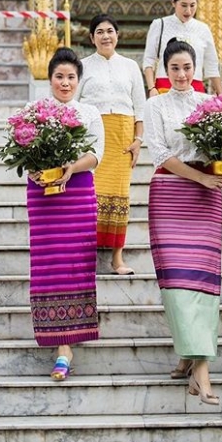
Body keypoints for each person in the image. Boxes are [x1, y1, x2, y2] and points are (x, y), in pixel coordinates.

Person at [144, 37, 222, 405]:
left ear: (196, 69)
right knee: (178, 285)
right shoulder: (155, 105)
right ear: (165, 71)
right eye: (174, 68)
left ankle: (192, 359)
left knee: (203, 283)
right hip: (170, 194)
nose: (181, 74)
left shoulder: (209, 104)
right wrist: (201, 178)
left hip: (206, 198)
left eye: (187, 67)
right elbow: (161, 154)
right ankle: (200, 369)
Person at [27, 47, 105, 380]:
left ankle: (66, 347)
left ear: (79, 80)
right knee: (49, 265)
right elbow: (24, 150)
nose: (65, 82)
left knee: (75, 264)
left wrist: (71, 167)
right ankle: (56, 337)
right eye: (59, 76)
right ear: (50, 79)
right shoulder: (35, 111)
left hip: (77, 191)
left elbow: (96, 153)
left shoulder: (89, 113)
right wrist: (34, 169)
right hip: (44, 196)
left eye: (71, 77)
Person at [76, 14, 145, 275]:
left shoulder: (130, 66)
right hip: (92, 135)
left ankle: (118, 258)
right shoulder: (82, 66)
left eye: (110, 31)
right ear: (92, 38)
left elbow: (140, 107)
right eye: (100, 32)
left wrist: (138, 140)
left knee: (119, 197)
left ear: (118, 35)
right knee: (89, 197)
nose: (106, 36)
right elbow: (74, 102)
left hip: (122, 139)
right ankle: (86, 258)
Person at [143, 0, 222, 96]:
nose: (188, 11)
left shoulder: (203, 29)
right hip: (165, 88)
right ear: (173, 3)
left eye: (192, 5)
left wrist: (221, 95)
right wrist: (151, 88)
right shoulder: (159, 25)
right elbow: (148, 60)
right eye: (184, 5)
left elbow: (211, 66)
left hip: (195, 89)